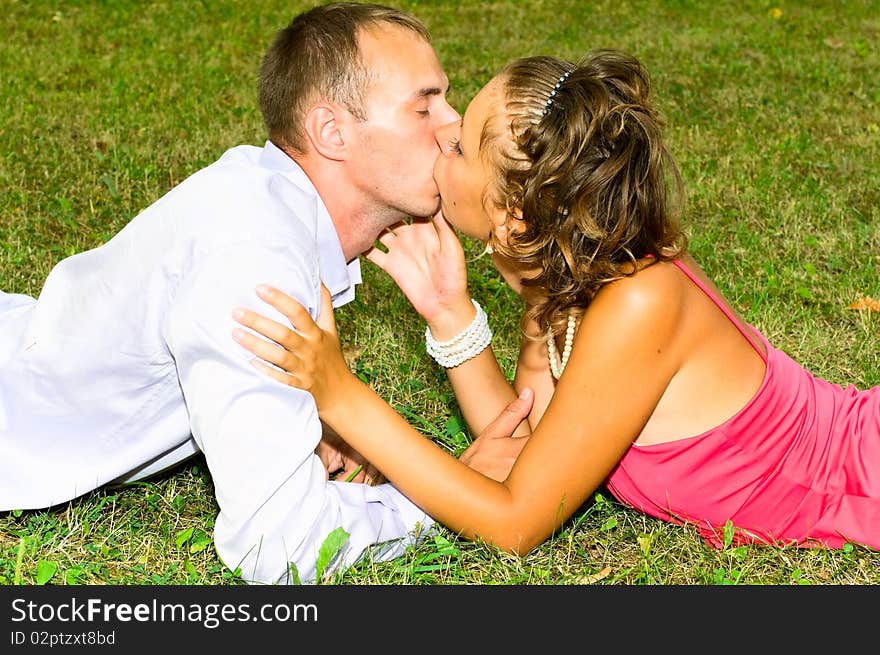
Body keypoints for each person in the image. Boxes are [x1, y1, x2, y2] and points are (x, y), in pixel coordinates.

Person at [232, 49, 880, 557]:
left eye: (459, 145)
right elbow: (532, 441)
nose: (442, 134)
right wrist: (451, 314)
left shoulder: (638, 303)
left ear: (514, 220)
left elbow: (515, 519)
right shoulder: (572, 274)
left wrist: (344, 398)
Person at [0, 2, 473, 585]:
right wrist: (447, 496)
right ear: (331, 132)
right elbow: (282, 550)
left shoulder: (265, 195)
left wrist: (321, 422)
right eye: (424, 106)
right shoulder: (255, 262)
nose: (454, 123)